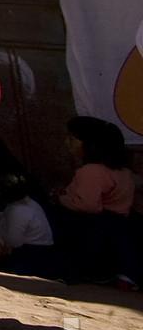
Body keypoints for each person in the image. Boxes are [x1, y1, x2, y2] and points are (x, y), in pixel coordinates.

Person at [50, 115, 136, 284]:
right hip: (118, 231)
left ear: (89, 144)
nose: (68, 143)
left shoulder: (91, 171)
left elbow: (87, 205)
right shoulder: (124, 172)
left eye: (73, 139)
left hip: (94, 234)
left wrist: (60, 199)